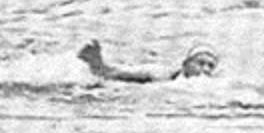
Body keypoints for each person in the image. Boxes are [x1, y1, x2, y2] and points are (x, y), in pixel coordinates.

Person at [78, 40, 219, 83]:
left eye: (211, 66)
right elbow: (111, 73)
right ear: (185, 65)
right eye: (200, 64)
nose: (206, 69)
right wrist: (99, 65)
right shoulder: (157, 74)